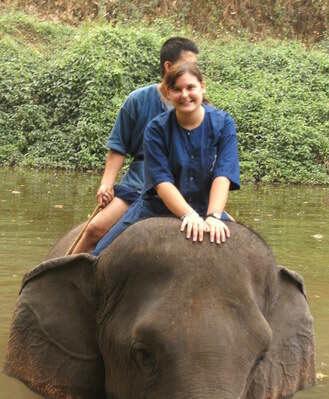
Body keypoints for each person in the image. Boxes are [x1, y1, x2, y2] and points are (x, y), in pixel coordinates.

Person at [93, 61, 240, 255]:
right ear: (168, 94)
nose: (185, 95)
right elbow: (162, 181)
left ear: (202, 88)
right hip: (155, 207)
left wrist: (213, 215)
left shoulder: (223, 123)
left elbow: (223, 174)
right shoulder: (156, 129)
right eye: (177, 90)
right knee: (101, 256)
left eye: (191, 87)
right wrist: (188, 214)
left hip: (206, 206)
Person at [71, 37, 199, 254]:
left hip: (184, 190)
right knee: (94, 229)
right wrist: (106, 185)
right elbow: (118, 146)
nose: (193, 70)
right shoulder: (138, 100)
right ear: (168, 67)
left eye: (195, 66)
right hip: (139, 187)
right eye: (188, 64)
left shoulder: (197, 107)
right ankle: (69, 283)